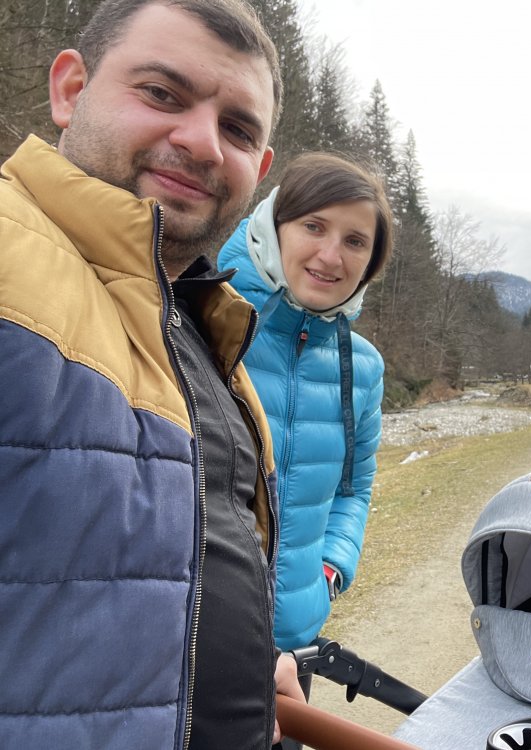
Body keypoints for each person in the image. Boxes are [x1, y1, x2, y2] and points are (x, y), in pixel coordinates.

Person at [0, 1, 306, 747]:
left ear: (259, 169)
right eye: (163, 94)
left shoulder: (203, 320)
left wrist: (240, 666)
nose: (203, 142)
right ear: (71, 89)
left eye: (238, 129)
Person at [217, 153, 392, 726]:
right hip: (195, 641)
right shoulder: (204, 317)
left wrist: (330, 569)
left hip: (295, 645)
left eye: (355, 241)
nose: (331, 255)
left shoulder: (362, 367)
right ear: (274, 226)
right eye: (314, 226)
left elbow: (354, 486)